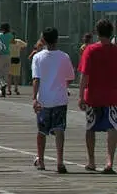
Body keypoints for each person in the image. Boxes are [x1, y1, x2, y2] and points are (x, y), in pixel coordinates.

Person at [31, 26, 75, 173]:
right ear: (57, 39)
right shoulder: (64, 56)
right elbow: (69, 78)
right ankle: (60, 162)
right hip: (60, 99)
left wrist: (34, 98)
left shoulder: (38, 57)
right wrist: (62, 86)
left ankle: (41, 161)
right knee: (60, 130)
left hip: (43, 99)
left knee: (41, 131)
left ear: (43, 39)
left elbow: (36, 79)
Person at [78, 18, 117, 173]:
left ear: (97, 32)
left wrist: (80, 95)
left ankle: (91, 161)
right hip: (112, 95)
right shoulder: (115, 50)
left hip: (93, 95)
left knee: (90, 128)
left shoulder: (90, 50)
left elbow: (84, 75)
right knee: (112, 127)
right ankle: (109, 162)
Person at [0, 23, 14, 97]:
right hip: (7, 55)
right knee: (5, 73)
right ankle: (2, 92)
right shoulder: (11, 35)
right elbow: (12, 42)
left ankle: (3, 84)